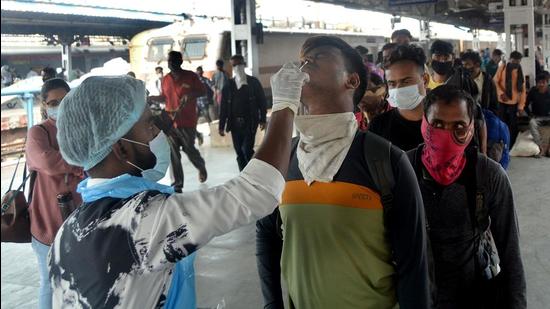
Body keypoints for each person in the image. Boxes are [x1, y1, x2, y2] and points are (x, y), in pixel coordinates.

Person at [49, 70, 306, 308]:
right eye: (148, 125)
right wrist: (284, 104)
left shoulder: (66, 233)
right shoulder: (142, 220)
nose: (157, 132)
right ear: (121, 149)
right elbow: (255, 192)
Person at [256, 36, 430, 309]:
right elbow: (266, 233)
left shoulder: (385, 160)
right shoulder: (285, 157)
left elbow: (413, 265)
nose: (305, 63)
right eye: (303, 59)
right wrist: (272, 304)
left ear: (352, 81)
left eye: (319, 56)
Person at [407, 85, 526, 308]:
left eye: (458, 126)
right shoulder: (402, 171)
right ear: (424, 123)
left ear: (471, 129)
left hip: (475, 294)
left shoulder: (489, 176)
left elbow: (510, 252)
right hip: (419, 296)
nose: (445, 136)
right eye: (438, 124)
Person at [25, 78, 84, 309]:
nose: (59, 105)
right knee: (50, 283)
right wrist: (79, 165)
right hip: (47, 224)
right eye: (53, 102)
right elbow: (47, 162)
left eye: (65, 100)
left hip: (80, 220)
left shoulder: (81, 129)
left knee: (80, 281)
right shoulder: (38, 133)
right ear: (44, 104)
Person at [148, 51, 208, 192]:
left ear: (180, 61)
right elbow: (164, 97)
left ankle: (200, 165)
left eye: (173, 61)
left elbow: (203, 91)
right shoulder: (166, 79)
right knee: (174, 154)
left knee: (189, 149)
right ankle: (177, 184)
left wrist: (191, 94)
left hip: (187, 121)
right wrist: (152, 98)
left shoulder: (191, 76)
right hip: (170, 122)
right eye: (169, 61)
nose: (170, 64)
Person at [428, 40, 487, 154]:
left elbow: (479, 119)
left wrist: (483, 153)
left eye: (446, 57)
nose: (442, 60)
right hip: (434, 148)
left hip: (462, 146)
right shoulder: (423, 83)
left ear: (453, 59)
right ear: (431, 58)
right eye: (438, 56)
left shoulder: (463, 82)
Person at [368, 44, 428, 151]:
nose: (398, 88)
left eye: (405, 81)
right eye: (392, 83)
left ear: (425, 80)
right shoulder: (378, 127)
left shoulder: (442, 122)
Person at [219, 55, 268, 171]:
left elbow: (262, 101)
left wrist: (263, 119)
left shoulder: (253, 82)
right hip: (234, 124)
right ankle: (243, 175)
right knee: (239, 152)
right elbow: (224, 108)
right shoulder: (228, 85)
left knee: (247, 149)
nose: (237, 67)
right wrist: (221, 126)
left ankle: (253, 173)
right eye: (234, 65)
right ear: (232, 67)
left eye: (240, 64)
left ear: (244, 65)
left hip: (250, 122)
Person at [494, 51, 527, 147]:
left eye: (518, 62)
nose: (516, 64)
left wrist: (521, 107)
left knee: (513, 125)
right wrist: (501, 93)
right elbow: (495, 81)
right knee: (501, 123)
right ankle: (501, 144)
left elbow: (523, 91)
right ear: (510, 59)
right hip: (502, 101)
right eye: (514, 61)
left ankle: (511, 145)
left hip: (514, 102)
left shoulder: (520, 72)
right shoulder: (503, 68)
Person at [526, 73, 550, 156]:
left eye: (544, 82)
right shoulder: (533, 91)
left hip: (548, 117)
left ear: (547, 83)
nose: (541, 84)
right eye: (539, 82)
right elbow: (525, 105)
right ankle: (540, 147)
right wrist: (530, 114)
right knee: (532, 123)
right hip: (537, 117)